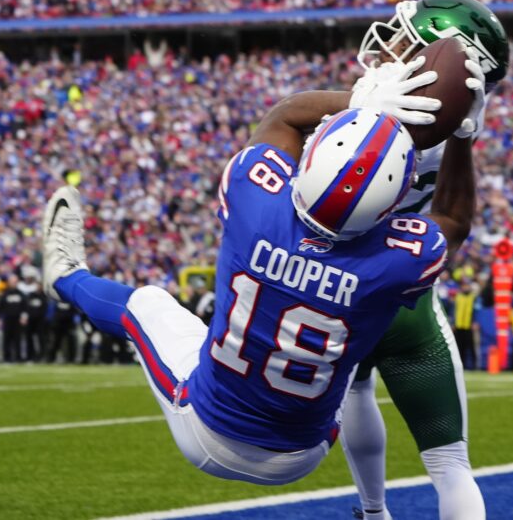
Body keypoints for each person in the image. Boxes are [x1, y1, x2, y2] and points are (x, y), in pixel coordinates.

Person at [41, 67, 480, 485]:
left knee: (148, 304)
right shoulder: (398, 259)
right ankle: (372, 505)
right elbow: (453, 221)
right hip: (307, 449)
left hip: (210, 433)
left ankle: (66, 274)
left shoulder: (253, 198)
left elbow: (284, 116)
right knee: (353, 351)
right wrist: (462, 134)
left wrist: (360, 102)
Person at [341, 0, 508, 520]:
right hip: (408, 294)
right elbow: (452, 38)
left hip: (339, 287)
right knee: (449, 463)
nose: (390, 43)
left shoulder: (365, 107)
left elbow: (437, 39)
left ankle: (373, 510)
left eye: (403, 41)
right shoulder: (455, 112)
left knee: (353, 393)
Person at [451, 277, 479, 371]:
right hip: (459, 325)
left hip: (469, 325)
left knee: (471, 347)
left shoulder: (473, 297)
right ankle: (460, 366)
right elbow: (453, 311)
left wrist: (475, 322)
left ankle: (475, 366)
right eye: (464, 285)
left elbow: (476, 311)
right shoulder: (457, 296)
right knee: (459, 347)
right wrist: (453, 323)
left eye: (467, 285)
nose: (465, 287)